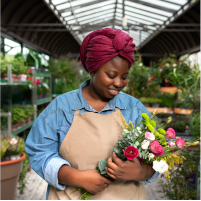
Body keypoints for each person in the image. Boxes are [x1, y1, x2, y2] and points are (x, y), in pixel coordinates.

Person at [25, 28, 159, 200]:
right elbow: (39, 151)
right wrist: (76, 177)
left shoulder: (133, 108)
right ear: (93, 70)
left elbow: (158, 153)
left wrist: (142, 172)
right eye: (111, 75)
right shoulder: (62, 108)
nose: (118, 83)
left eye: (124, 77)